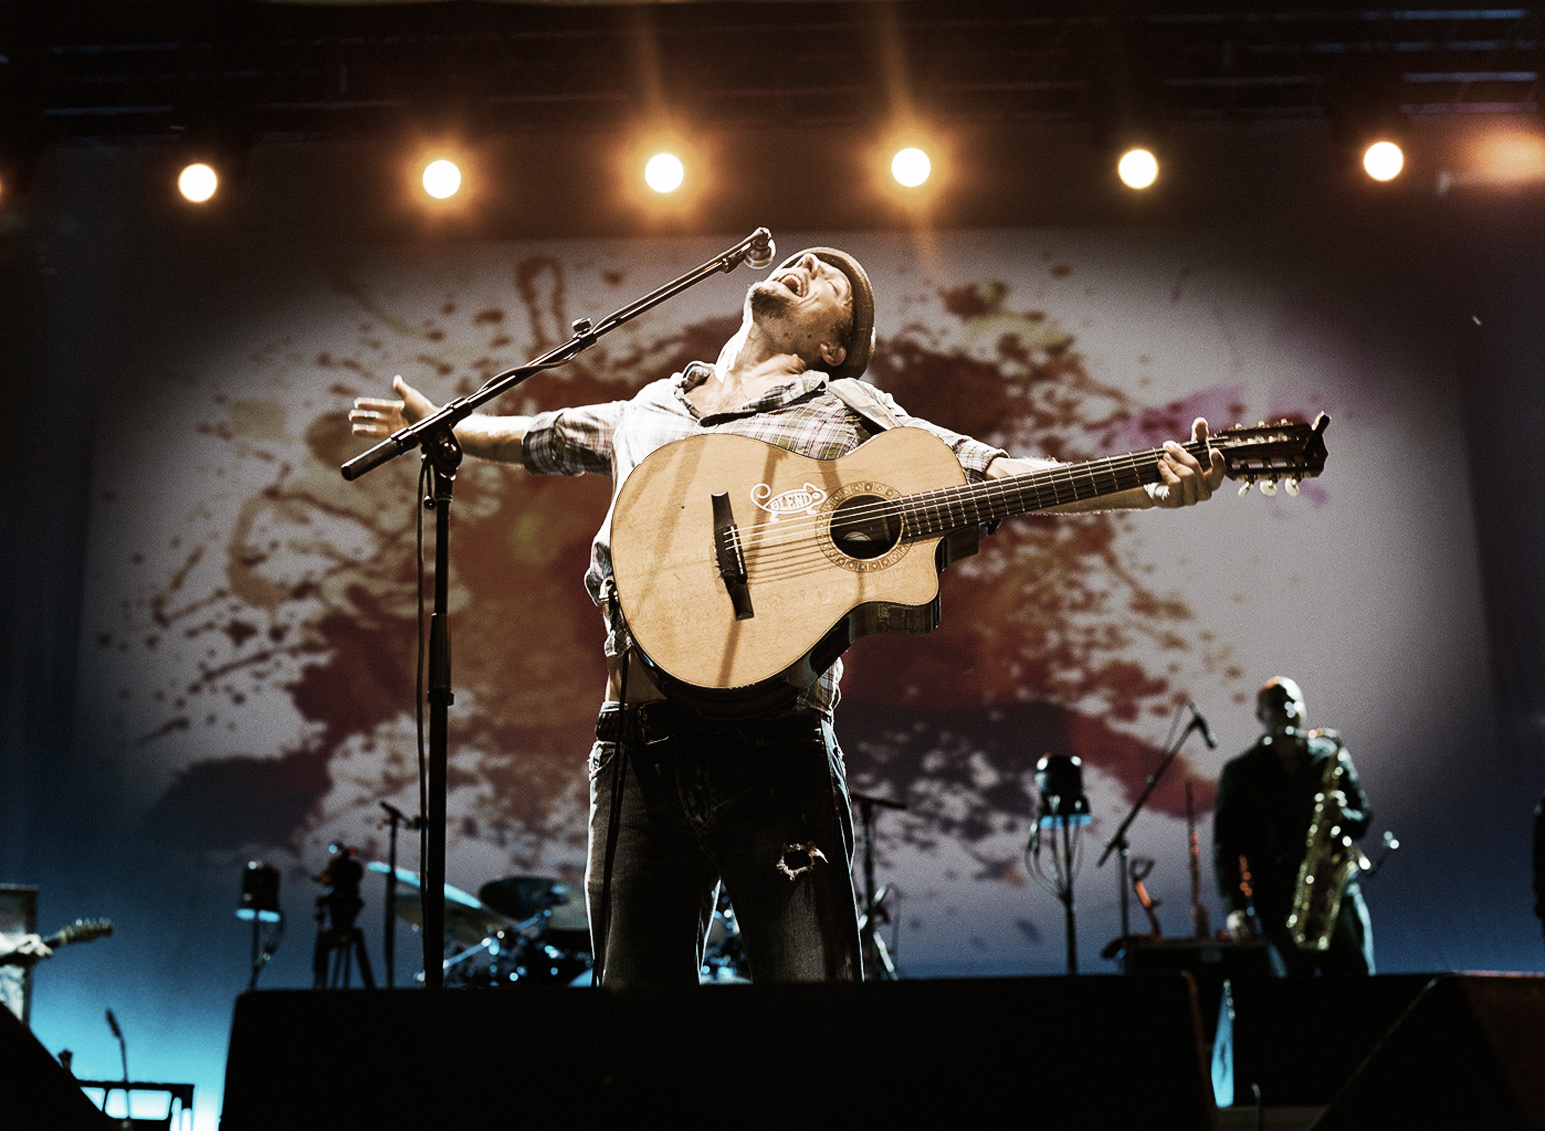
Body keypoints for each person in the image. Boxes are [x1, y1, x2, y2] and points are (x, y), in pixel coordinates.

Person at [351, 246, 1225, 984]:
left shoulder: (848, 410)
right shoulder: (651, 406)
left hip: (774, 740)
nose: (806, 262)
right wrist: (448, 427)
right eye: (803, 257)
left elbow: (986, 471)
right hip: (634, 742)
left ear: (834, 344)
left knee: (811, 1016)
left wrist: (1148, 484)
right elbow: (541, 435)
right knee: (627, 1022)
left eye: (831, 280)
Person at [1213, 676, 1374, 976]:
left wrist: (1343, 816)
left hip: (1336, 896)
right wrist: (1235, 908)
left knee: (1358, 992)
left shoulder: (1329, 756)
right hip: (1277, 900)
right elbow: (1226, 846)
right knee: (1294, 1004)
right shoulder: (1241, 771)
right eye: (1276, 703)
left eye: (1292, 701)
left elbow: (1362, 818)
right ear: (1260, 714)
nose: (1287, 708)